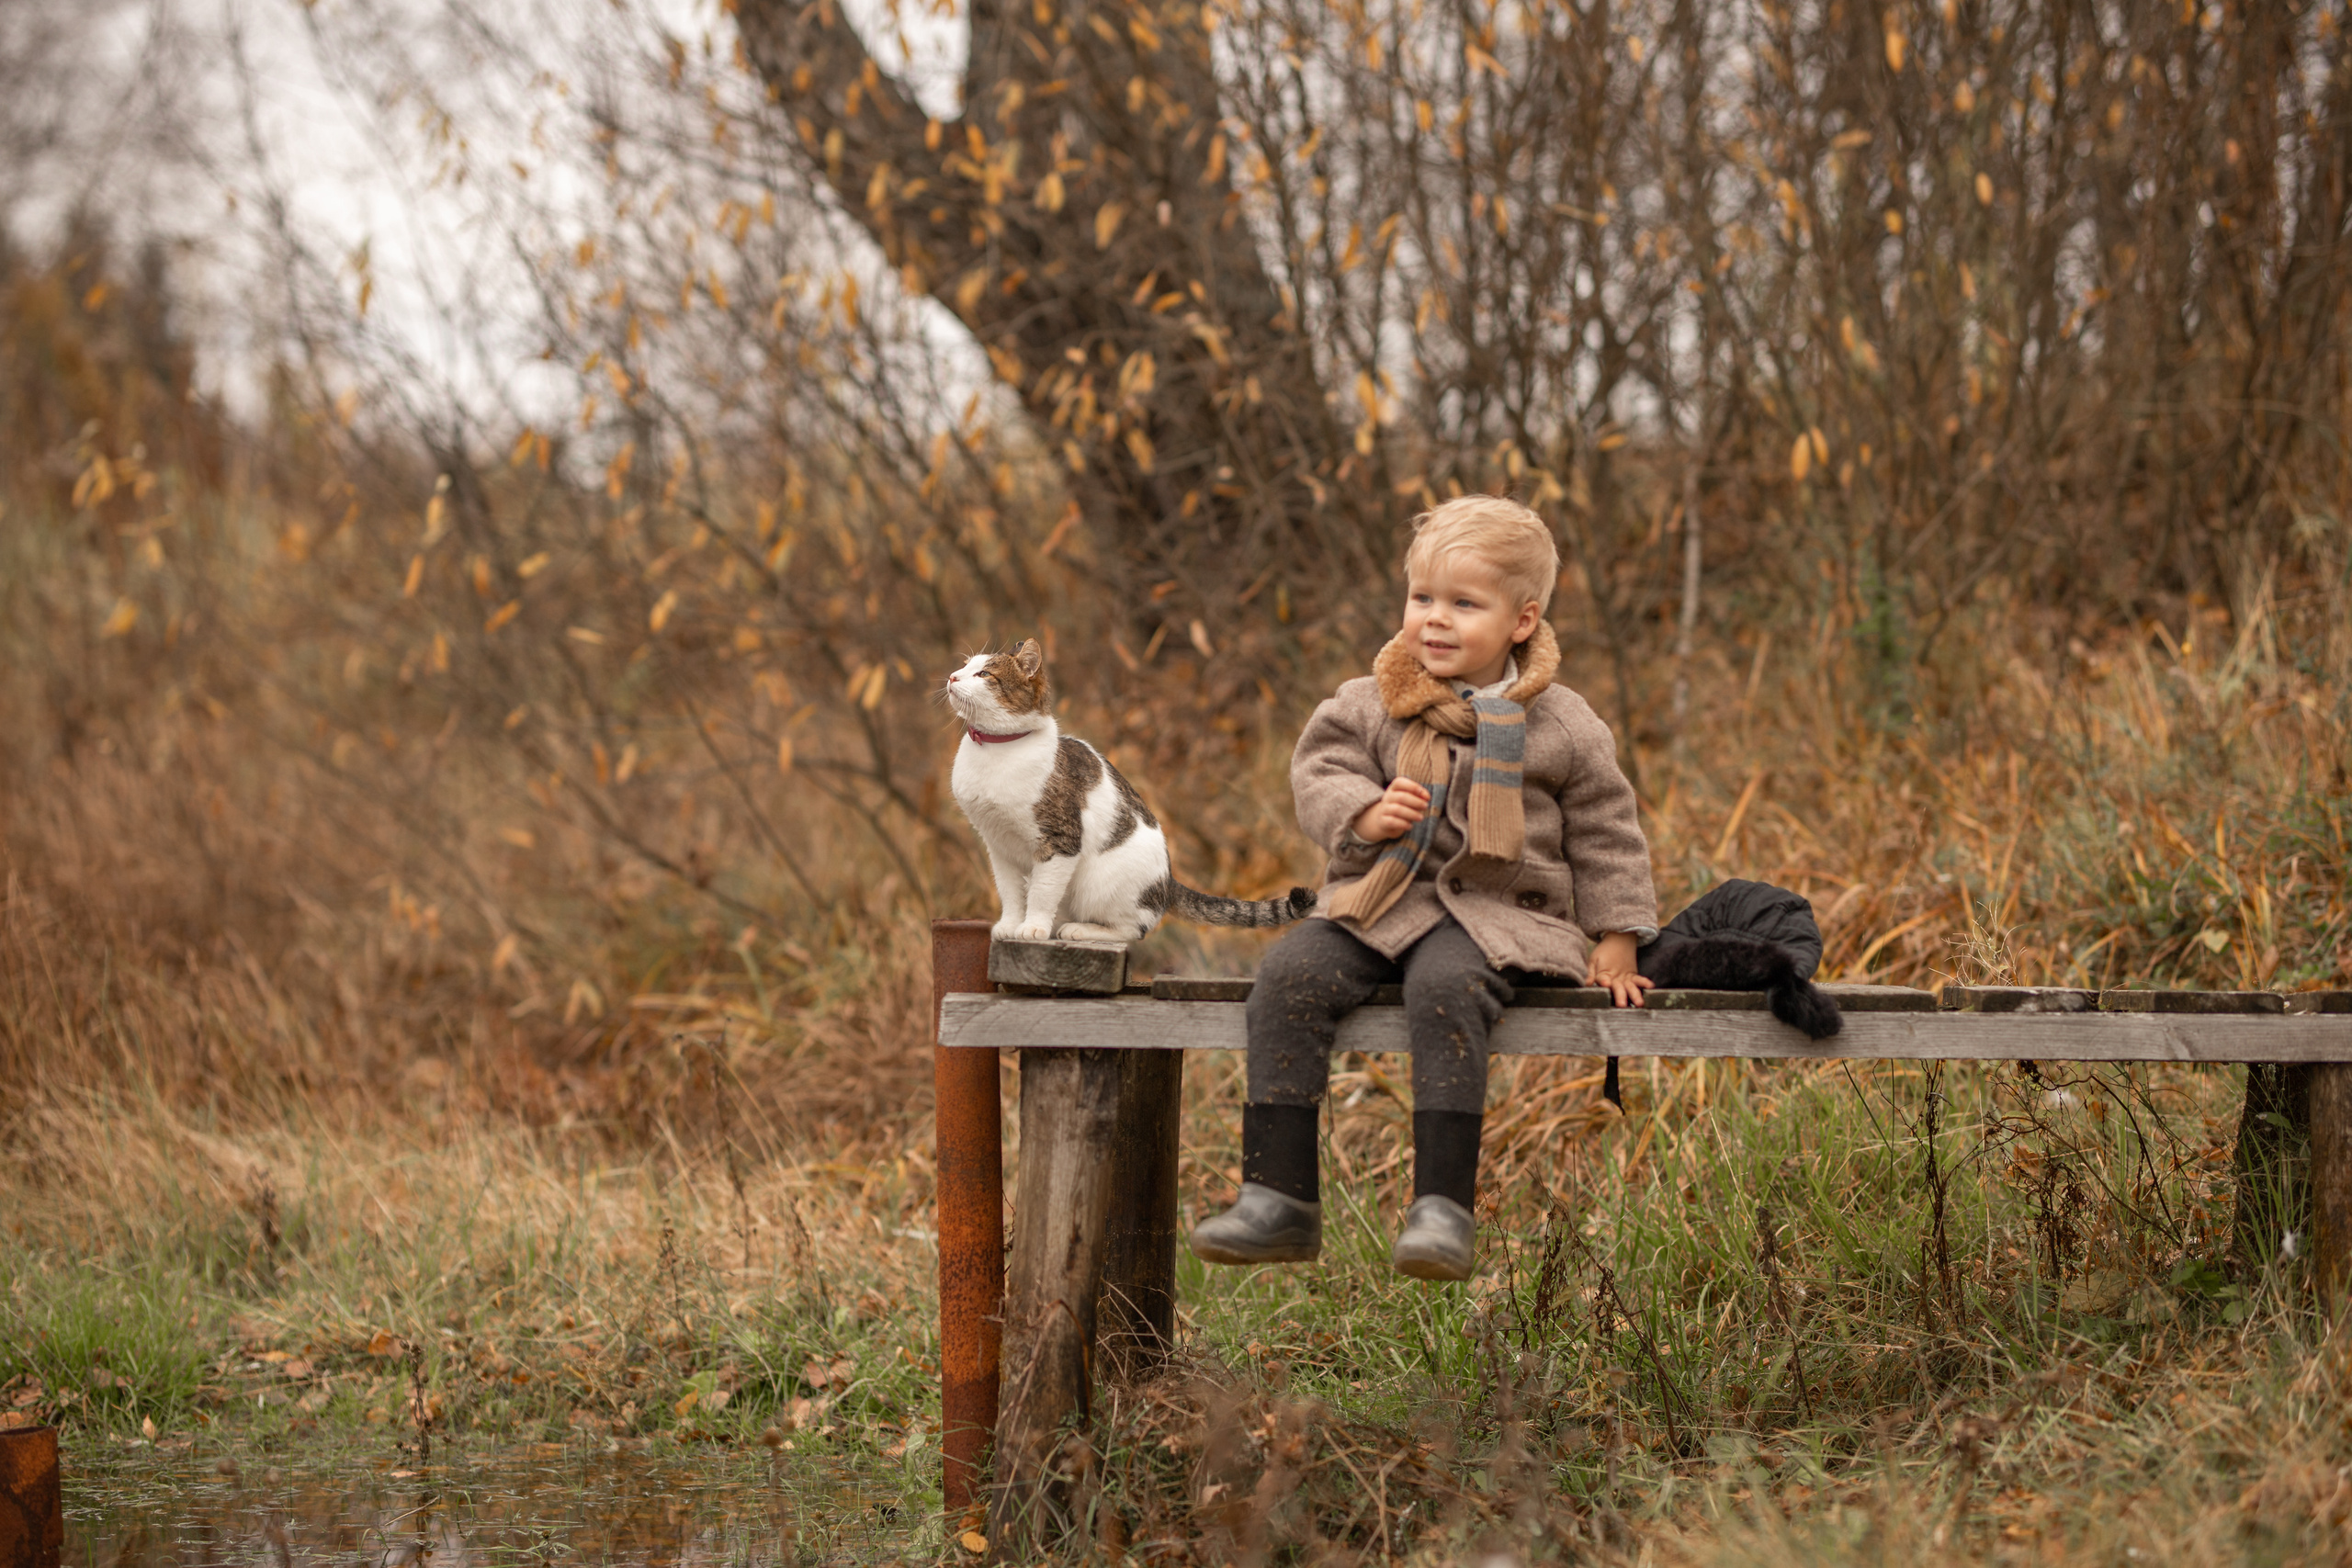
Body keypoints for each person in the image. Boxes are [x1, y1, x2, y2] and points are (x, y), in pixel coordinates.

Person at [1189, 495, 1657, 1281]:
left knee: (1444, 986)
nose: (1434, 620)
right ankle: (1278, 1198)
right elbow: (1318, 772)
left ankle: (1442, 1208)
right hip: (1383, 900)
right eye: (1422, 598)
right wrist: (1364, 813)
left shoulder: (1561, 722)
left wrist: (1618, 934)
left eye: (1463, 604)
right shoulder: (1369, 700)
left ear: (1522, 620)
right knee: (1289, 975)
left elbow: (1607, 827)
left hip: (1503, 914)